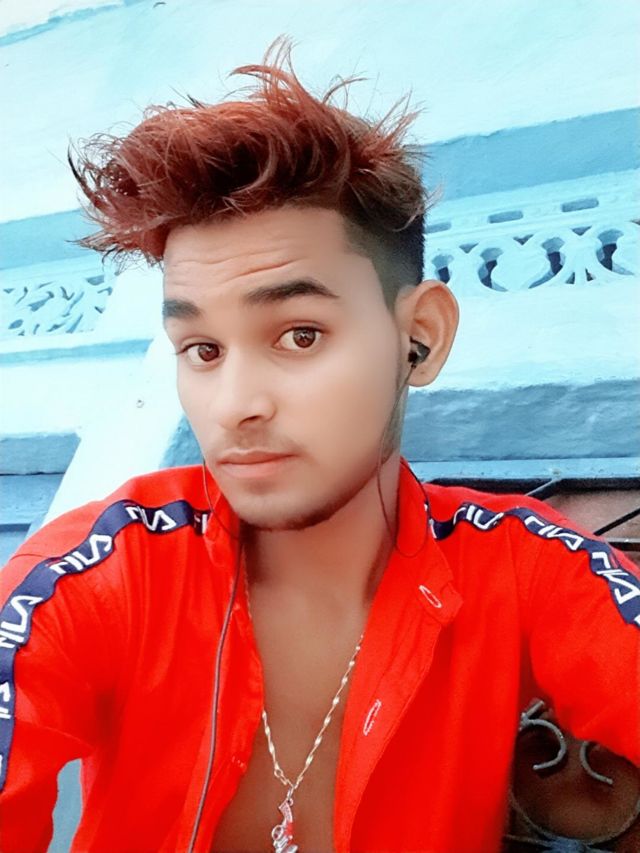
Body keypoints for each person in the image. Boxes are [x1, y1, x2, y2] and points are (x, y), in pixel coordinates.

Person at [0, 36, 638, 853]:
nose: (236, 405)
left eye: (299, 334)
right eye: (202, 350)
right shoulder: (105, 573)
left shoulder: (524, 568)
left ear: (420, 336)